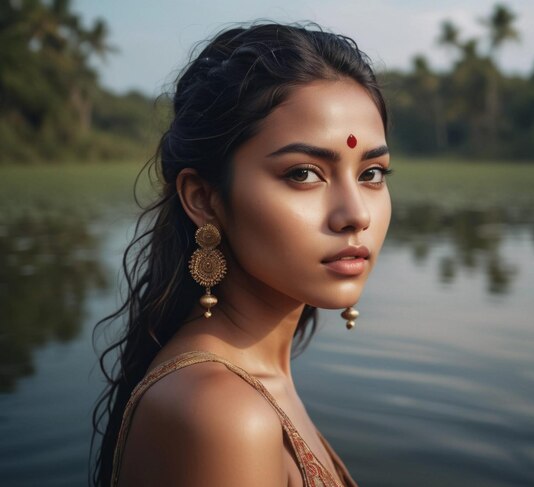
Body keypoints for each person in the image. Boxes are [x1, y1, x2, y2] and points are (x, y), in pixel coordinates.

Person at [91, 22, 392, 487]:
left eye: (371, 173)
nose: (356, 215)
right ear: (204, 199)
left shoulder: (250, 381)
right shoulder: (224, 414)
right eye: (304, 174)